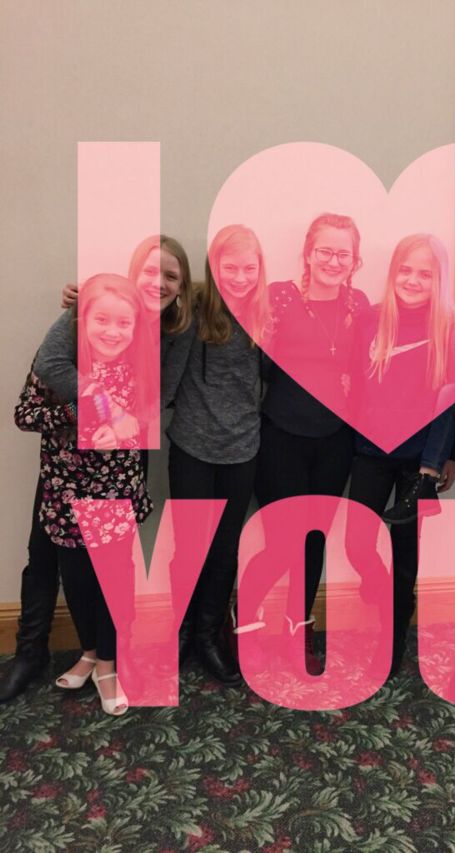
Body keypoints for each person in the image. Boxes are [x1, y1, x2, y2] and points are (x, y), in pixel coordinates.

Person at [0, 235, 192, 703]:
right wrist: (94, 409)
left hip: (116, 470)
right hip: (64, 474)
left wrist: (125, 422)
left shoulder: (172, 330)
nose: (159, 283)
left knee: (113, 569)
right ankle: (38, 651)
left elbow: (157, 398)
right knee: (50, 558)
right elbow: (45, 376)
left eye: (171, 276)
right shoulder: (90, 310)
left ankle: (109, 656)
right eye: (150, 271)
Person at [234, 213, 369, 675]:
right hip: (281, 437)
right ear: (308, 254)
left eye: (343, 253)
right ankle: (244, 622)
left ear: (355, 260)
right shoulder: (278, 298)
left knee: (314, 541)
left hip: (336, 441)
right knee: (281, 543)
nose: (333, 261)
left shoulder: (358, 304)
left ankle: (298, 629)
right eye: (325, 251)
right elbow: (226, 315)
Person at [14, 274, 154, 715]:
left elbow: (144, 418)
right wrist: (77, 411)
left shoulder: (139, 364)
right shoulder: (59, 367)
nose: (112, 331)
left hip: (114, 492)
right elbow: (24, 415)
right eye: (102, 320)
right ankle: (90, 653)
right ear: (81, 321)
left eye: (123, 323)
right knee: (75, 580)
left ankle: (109, 664)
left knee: (113, 582)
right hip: (65, 494)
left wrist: (123, 429)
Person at [344, 233, 455, 675]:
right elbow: (354, 387)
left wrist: (446, 458)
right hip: (371, 452)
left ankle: (393, 636)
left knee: (404, 553)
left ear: (439, 279)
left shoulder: (451, 329)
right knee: (357, 543)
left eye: (425, 274)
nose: (413, 280)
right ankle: (384, 592)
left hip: (421, 461)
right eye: (406, 270)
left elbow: (454, 403)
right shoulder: (370, 320)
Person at [161, 225, 269, 685]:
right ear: (212, 267)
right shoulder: (193, 308)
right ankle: (182, 631)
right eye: (230, 268)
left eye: (249, 268)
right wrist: (83, 295)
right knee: (188, 547)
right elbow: (143, 301)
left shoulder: (267, 315)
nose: (240, 278)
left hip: (242, 449)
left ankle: (208, 635)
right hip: (192, 446)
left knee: (226, 548)